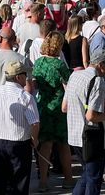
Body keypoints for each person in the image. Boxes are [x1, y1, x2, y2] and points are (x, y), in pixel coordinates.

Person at [0, 61, 40, 195]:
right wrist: (34, 140)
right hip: (19, 144)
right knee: (19, 182)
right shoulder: (25, 97)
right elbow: (34, 123)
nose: (27, 78)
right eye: (25, 75)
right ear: (18, 77)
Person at [62, 48, 105, 195]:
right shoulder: (98, 81)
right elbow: (91, 116)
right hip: (91, 137)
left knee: (88, 173)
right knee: (94, 177)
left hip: (74, 134)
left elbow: (64, 107)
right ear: (101, 64)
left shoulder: (75, 75)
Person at [32, 31, 73, 191]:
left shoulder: (38, 63)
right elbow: (68, 85)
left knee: (45, 145)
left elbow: (35, 84)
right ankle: (68, 179)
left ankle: (43, 181)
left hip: (43, 105)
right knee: (63, 145)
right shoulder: (59, 64)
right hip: (59, 107)